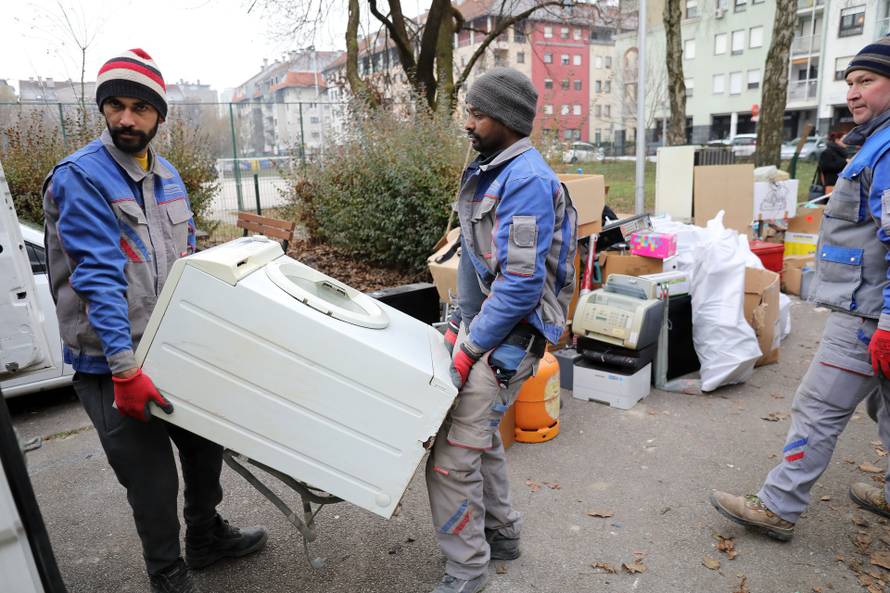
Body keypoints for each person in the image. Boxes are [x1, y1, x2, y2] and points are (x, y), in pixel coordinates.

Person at [42, 49, 267, 593]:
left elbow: (186, 259)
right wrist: (123, 370)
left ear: (158, 116)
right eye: (115, 106)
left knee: (204, 451)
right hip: (111, 362)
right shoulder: (81, 178)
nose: (126, 119)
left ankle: (206, 539)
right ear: (103, 110)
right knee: (151, 480)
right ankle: (167, 574)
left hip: (171, 347)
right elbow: (98, 278)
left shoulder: (167, 177)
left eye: (140, 108)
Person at [710, 36, 890, 541]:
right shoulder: (876, 143)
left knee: (818, 406)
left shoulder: (888, 149)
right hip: (873, 308)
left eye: (867, 81)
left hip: (868, 314)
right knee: (887, 406)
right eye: (850, 82)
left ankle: (778, 506)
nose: (854, 93)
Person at [427, 68, 577, 593]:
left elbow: (517, 285)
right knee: (479, 435)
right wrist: (458, 323)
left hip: (512, 338)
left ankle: (468, 572)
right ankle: (501, 532)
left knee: (451, 458)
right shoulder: (490, 169)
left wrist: (470, 348)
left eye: (477, 114)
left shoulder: (527, 182)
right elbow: (472, 254)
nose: (467, 123)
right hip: (490, 328)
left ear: (507, 121)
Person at [817, 128, 850, 193]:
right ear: (837, 140)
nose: (848, 142)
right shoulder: (827, 152)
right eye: (845, 139)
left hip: (841, 183)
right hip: (831, 184)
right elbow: (825, 167)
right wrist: (845, 162)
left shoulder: (843, 152)